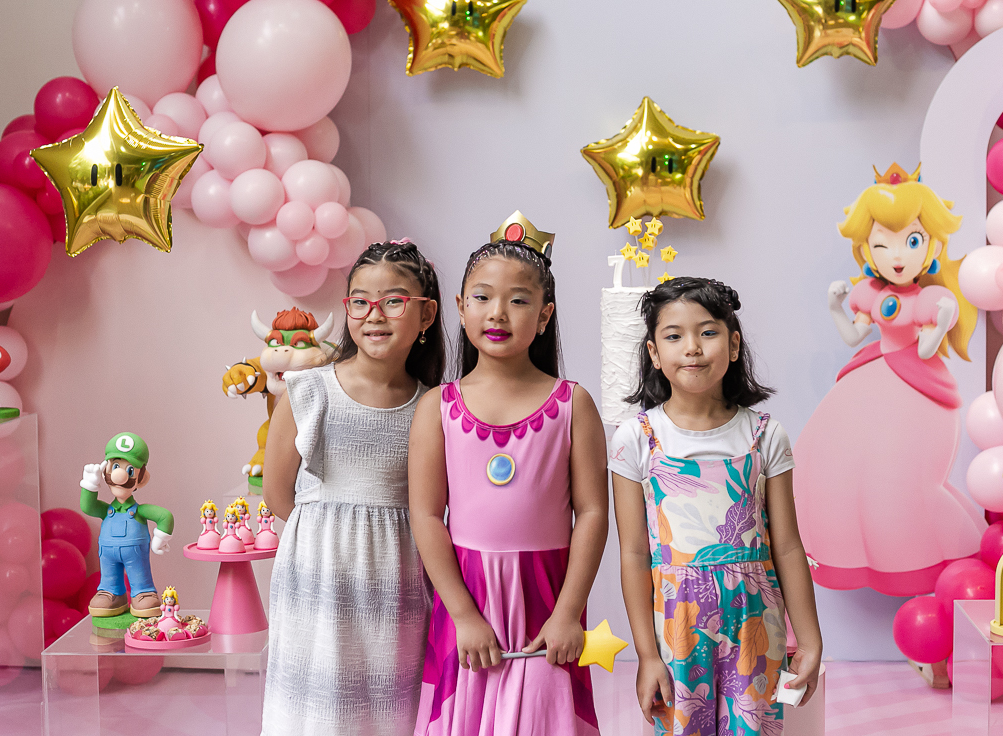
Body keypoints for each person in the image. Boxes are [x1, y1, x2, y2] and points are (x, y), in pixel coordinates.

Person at [410, 212, 608, 736]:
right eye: (482, 297)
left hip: (547, 594)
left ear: (544, 316)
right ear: (459, 307)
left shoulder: (572, 403)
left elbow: (591, 513)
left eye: (518, 300)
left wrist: (568, 612)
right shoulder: (438, 407)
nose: (498, 313)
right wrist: (463, 615)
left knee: (549, 717)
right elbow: (427, 516)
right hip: (468, 592)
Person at [610, 277, 822, 736]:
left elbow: (786, 546)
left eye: (707, 332)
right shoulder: (635, 440)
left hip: (756, 628)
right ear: (653, 353)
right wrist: (647, 655)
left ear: (733, 345)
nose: (692, 348)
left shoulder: (765, 435)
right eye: (674, 336)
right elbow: (633, 554)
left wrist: (810, 637)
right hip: (677, 632)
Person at [262, 239, 444, 736]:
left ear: (425, 316)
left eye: (393, 301)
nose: (374, 315)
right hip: (317, 576)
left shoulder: (435, 407)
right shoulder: (307, 391)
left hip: (395, 580)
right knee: (312, 711)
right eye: (360, 301)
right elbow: (278, 496)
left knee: (384, 712)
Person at [793, 167, 984, 596]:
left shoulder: (932, 299)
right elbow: (854, 336)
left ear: (930, 246)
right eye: (883, 243)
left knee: (905, 473)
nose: (897, 256)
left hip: (917, 383)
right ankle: (853, 549)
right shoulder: (870, 295)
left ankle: (925, 554)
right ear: (867, 250)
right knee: (836, 460)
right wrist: (836, 307)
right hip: (873, 373)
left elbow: (925, 350)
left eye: (911, 241)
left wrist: (941, 323)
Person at [79, 432, 173, 618]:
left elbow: (165, 516)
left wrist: (160, 538)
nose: (119, 474)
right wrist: (90, 484)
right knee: (109, 576)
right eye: (115, 466)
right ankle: (110, 592)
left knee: (140, 575)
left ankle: (143, 592)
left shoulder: (139, 511)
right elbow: (87, 506)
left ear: (141, 478)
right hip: (107, 555)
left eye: (130, 470)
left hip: (136, 555)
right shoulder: (106, 511)